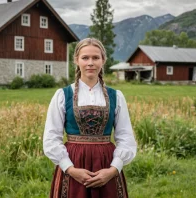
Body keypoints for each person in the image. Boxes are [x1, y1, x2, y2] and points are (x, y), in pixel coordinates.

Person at [43, 38, 137, 198]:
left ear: (103, 60)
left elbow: (126, 137)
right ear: (76, 60)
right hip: (73, 166)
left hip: (106, 165)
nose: (90, 63)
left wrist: (113, 170)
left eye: (95, 58)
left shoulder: (116, 96)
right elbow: (51, 138)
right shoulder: (62, 95)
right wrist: (70, 169)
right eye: (85, 58)